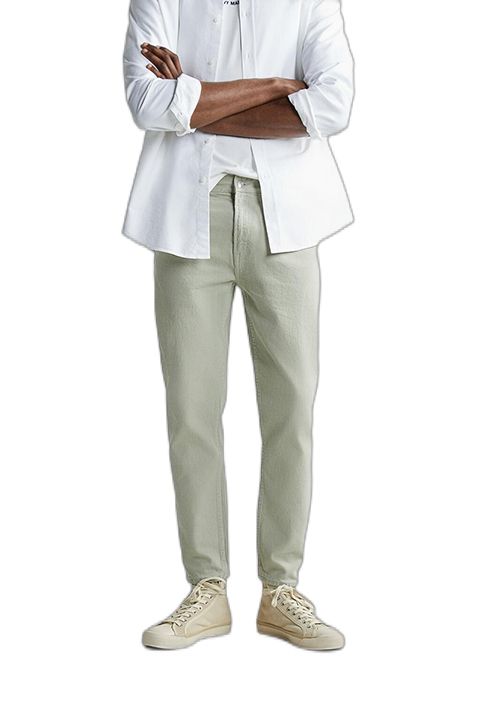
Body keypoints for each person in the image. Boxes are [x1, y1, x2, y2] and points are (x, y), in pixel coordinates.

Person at [121, 0, 354, 651]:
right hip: (184, 212)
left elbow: (333, 106)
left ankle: (281, 590)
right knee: (191, 411)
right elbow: (147, 103)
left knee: (291, 411)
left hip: (288, 219)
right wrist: (280, 87)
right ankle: (208, 588)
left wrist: (194, 101)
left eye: (278, 85)